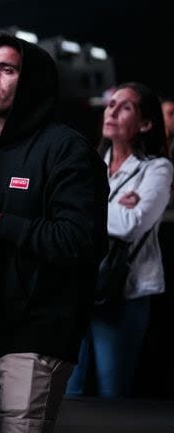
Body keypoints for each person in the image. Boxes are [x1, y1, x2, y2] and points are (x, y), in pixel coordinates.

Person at [0, 29, 109, 433]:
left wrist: (1, 221)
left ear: (32, 82)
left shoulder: (65, 149)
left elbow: (81, 241)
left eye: (6, 69)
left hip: (34, 340)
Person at [66, 82, 173, 398]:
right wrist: (110, 207)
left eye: (125, 106)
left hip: (124, 293)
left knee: (113, 394)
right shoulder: (88, 161)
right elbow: (59, 213)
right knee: (70, 391)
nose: (111, 110)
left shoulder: (157, 168)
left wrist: (84, 207)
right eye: (111, 104)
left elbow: (131, 225)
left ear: (146, 123)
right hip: (79, 287)